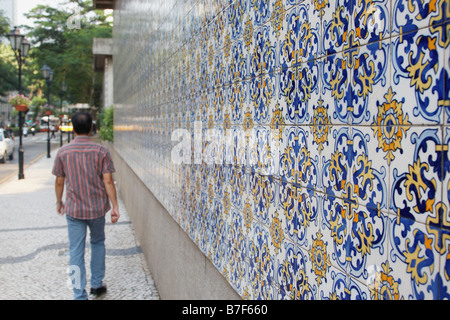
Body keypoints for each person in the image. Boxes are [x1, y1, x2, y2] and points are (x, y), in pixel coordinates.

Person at [52, 111, 120, 300]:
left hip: (74, 210)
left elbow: (59, 182)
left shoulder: (63, 152)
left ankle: (78, 293)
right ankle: (97, 285)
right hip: (97, 209)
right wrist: (115, 206)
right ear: (91, 127)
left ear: (73, 128)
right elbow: (108, 181)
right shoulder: (101, 151)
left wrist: (59, 202)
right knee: (98, 243)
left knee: (75, 250)